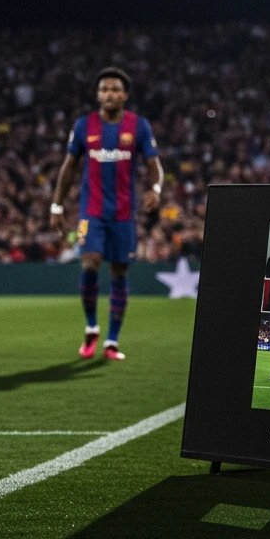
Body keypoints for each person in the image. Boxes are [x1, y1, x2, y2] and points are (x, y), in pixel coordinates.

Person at [49, 67, 163, 361]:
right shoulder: (84, 125)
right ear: (98, 95)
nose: (108, 94)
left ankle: (112, 341)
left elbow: (154, 164)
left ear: (124, 95)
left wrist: (157, 188)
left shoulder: (138, 126)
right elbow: (69, 166)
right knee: (89, 262)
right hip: (92, 212)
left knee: (119, 271)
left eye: (114, 89)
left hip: (124, 213)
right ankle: (91, 327)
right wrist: (57, 205)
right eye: (103, 89)